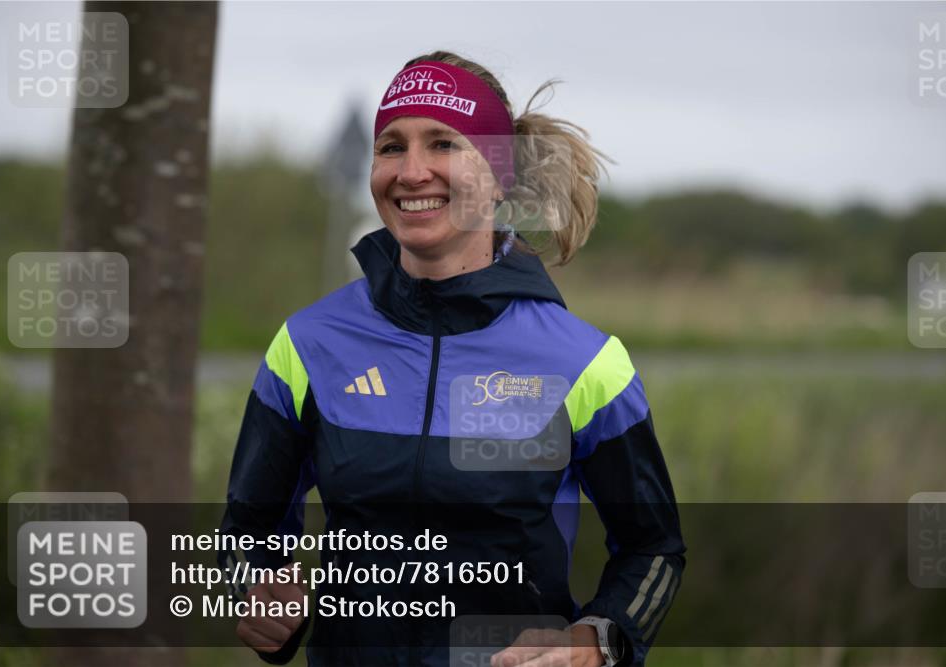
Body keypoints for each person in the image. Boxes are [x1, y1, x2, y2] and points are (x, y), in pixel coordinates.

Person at [218, 51, 685, 667]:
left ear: (499, 175)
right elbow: (246, 532)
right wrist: (252, 592)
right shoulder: (307, 345)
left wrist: (594, 644)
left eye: (442, 143)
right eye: (390, 146)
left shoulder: (586, 362)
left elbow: (653, 549)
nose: (411, 172)